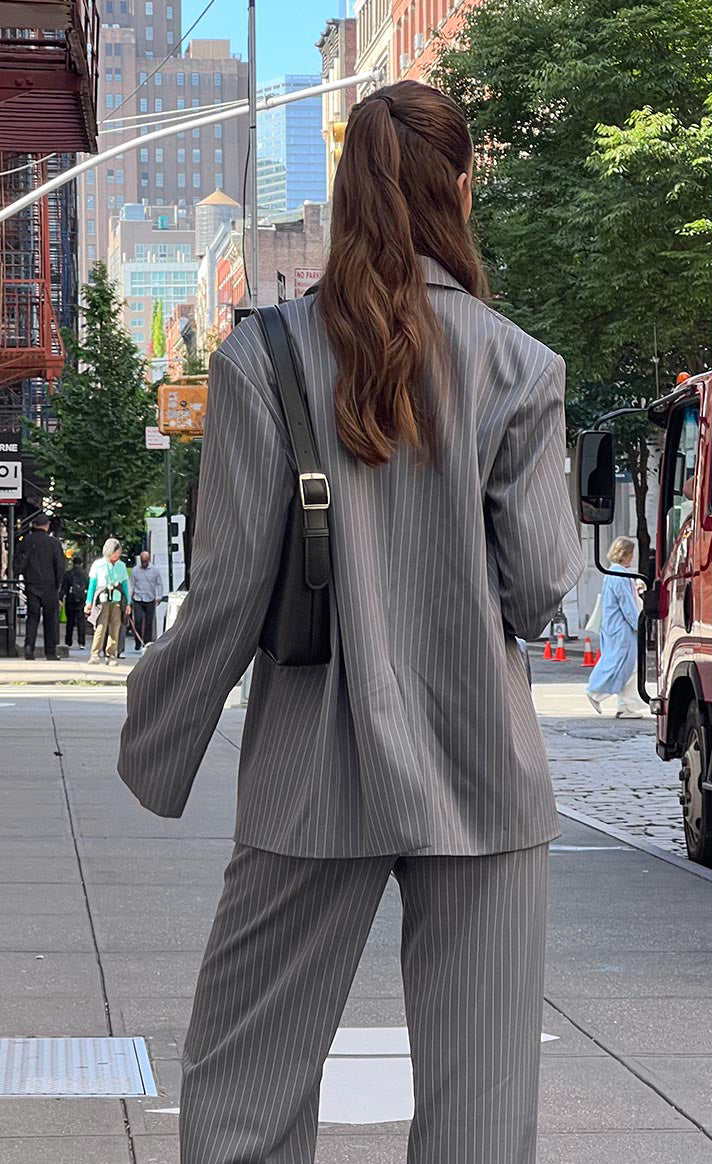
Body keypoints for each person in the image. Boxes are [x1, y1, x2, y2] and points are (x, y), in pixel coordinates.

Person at [118, 80, 583, 1164]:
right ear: (461, 192)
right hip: (484, 776)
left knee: (241, 1095)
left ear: (343, 199)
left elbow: (229, 593)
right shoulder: (520, 367)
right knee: (481, 1119)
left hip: (307, 773)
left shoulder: (259, 360)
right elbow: (545, 589)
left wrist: (158, 736)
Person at [585, 536, 644, 719]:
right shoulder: (621, 576)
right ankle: (596, 691)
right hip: (622, 629)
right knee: (620, 664)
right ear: (625, 554)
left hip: (614, 627)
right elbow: (627, 604)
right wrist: (638, 623)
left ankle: (625, 705)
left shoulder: (613, 573)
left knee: (628, 665)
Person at [14, 514, 65, 661]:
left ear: (34, 525)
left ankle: (29, 648)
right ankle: (50, 652)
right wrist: (58, 586)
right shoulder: (53, 543)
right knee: (50, 619)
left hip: (31, 584)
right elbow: (60, 566)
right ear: (47, 526)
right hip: (49, 586)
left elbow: (17, 563)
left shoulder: (26, 542)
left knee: (32, 617)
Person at [84, 538, 130, 666]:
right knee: (100, 627)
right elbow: (92, 585)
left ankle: (111, 655)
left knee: (115, 629)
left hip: (117, 601)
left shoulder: (121, 566)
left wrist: (128, 603)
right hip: (102, 601)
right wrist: (88, 602)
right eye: (115, 551)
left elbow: (125, 585)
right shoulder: (98, 565)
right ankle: (95, 654)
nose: (118, 554)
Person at [129, 550, 165, 650]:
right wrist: (129, 598)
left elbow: (159, 584)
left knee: (149, 622)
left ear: (148, 560)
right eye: (142, 561)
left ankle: (147, 642)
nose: (144, 563)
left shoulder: (155, 570)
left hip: (150, 598)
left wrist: (159, 597)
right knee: (138, 621)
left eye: (145, 561)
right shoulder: (135, 570)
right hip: (138, 598)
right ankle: (138, 641)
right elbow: (131, 584)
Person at [60, 555, 88, 649]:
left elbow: (64, 588)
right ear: (81, 564)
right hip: (82, 600)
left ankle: (68, 641)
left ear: (73, 563)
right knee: (81, 622)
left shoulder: (68, 574)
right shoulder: (85, 574)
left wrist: (60, 599)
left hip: (70, 600)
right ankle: (82, 643)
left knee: (70, 621)